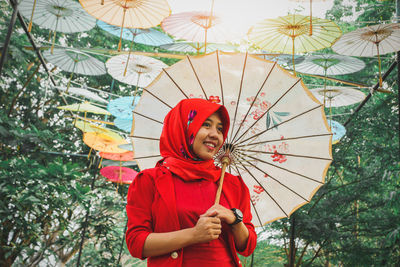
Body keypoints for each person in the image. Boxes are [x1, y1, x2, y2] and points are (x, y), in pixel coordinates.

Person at [126, 98, 257, 266]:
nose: (215, 134)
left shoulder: (233, 184)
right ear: (183, 127)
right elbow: (136, 243)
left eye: (220, 129)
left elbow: (247, 247)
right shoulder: (150, 180)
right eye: (206, 124)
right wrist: (194, 234)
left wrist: (234, 220)